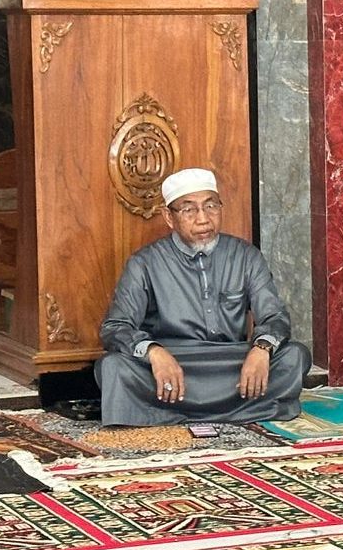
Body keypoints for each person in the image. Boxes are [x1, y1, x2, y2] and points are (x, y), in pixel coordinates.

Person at [97, 168, 308, 426]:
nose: (203, 219)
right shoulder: (144, 263)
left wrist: (261, 348)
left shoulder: (246, 256)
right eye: (189, 210)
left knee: (295, 356)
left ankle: (167, 414)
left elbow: (275, 316)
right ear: (169, 217)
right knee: (112, 366)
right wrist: (153, 352)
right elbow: (115, 327)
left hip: (232, 363)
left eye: (211, 206)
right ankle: (246, 410)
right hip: (174, 364)